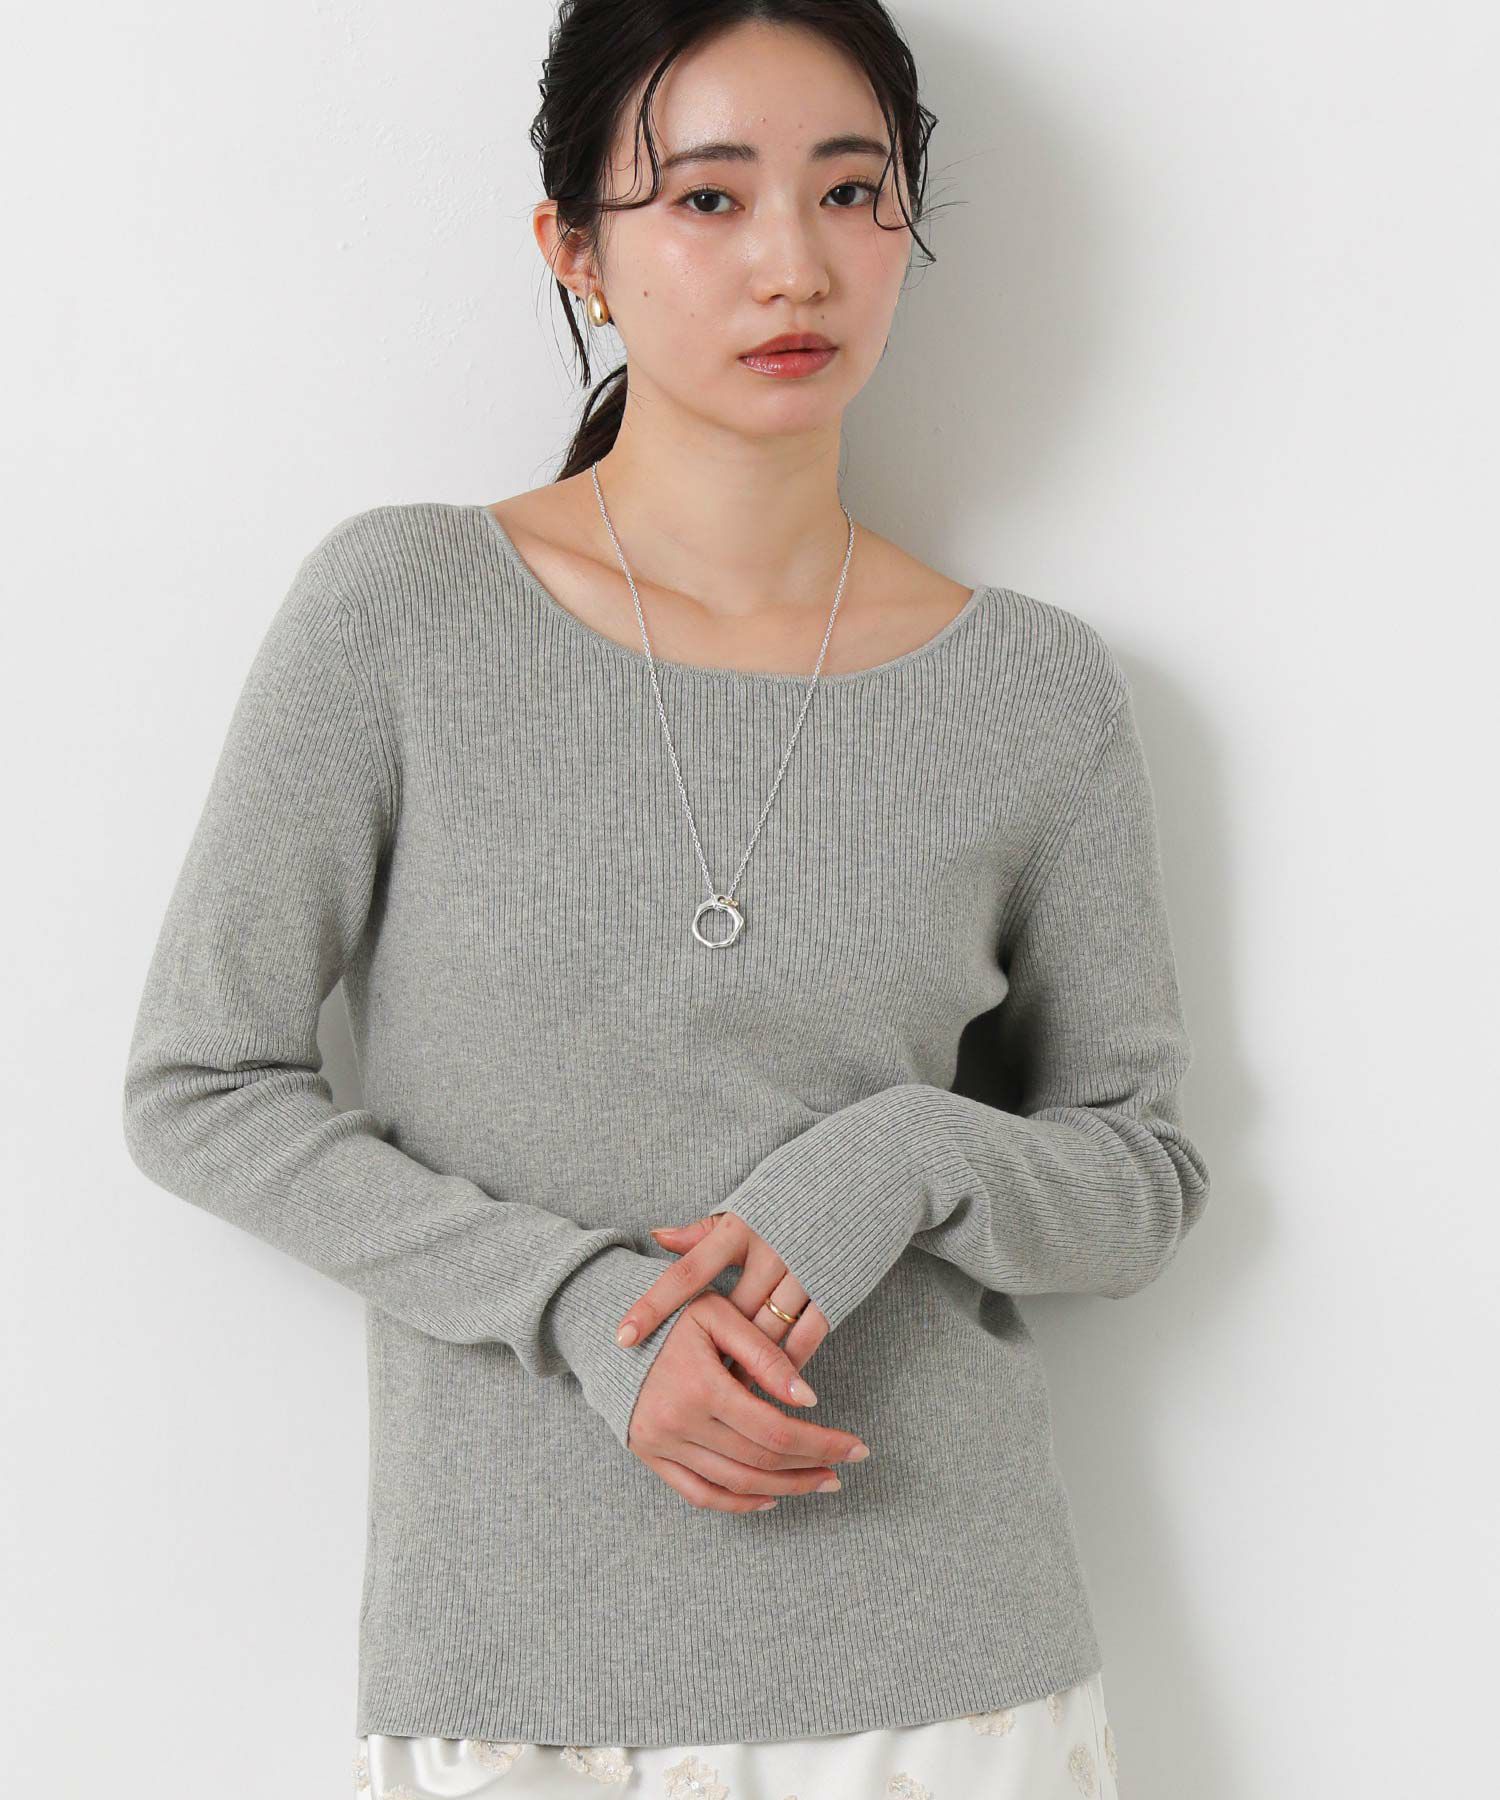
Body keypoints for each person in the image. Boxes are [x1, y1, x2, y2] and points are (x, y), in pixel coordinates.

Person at [123, 3, 1210, 1794]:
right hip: (526, 1679)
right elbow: (200, 1085)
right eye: (708, 198)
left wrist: (905, 1156)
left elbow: (1138, 1182)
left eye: (850, 190)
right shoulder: (403, 614)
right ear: (577, 250)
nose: (794, 263)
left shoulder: (1033, 690)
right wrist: (574, 1306)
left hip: (947, 1683)